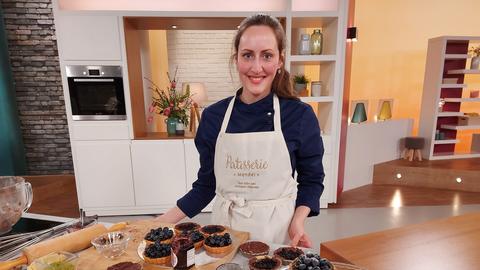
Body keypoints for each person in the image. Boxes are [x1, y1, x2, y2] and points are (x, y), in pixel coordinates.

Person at [155, 13, 324, 248]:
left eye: (267, 55)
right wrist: (160, 222)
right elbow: (206, 185)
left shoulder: (299, 116)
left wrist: (298, 220)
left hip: (276, 233)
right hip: (225, 233)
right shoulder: (214, 117)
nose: (257, 67)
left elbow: (312, 180)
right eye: (247, 55)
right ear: (236, 59)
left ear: (280, 61)